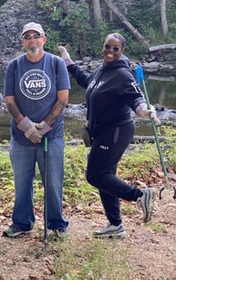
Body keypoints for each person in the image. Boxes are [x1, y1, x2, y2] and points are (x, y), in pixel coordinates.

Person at [58, 33, 161, 238]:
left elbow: (135, 97)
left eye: (116, 48)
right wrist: (68, 61)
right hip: (102, 131)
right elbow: (86, 81)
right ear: (103, 47)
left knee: (95, 175)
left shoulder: (123, 74)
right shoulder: (100, 71)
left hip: (116, 131)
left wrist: (144, 110)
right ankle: (115, 225)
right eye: (108, 46)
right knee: (106, 176)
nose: (110, 51)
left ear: (121, 51)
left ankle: (140, 195)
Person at [1, 22, 70, 242]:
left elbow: (63, 100)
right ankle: (22, 222)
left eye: (36, 36)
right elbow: (9, 101)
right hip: (22, 138)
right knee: (22, 182)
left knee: (53, 182)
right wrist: (26, 126)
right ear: (23, 41)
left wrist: (44, 126)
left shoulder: (56, 63)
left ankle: (56, 224)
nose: (32, 40)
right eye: (27, 36)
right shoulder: (14, 66)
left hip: (52, 136)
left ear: (44, 39)